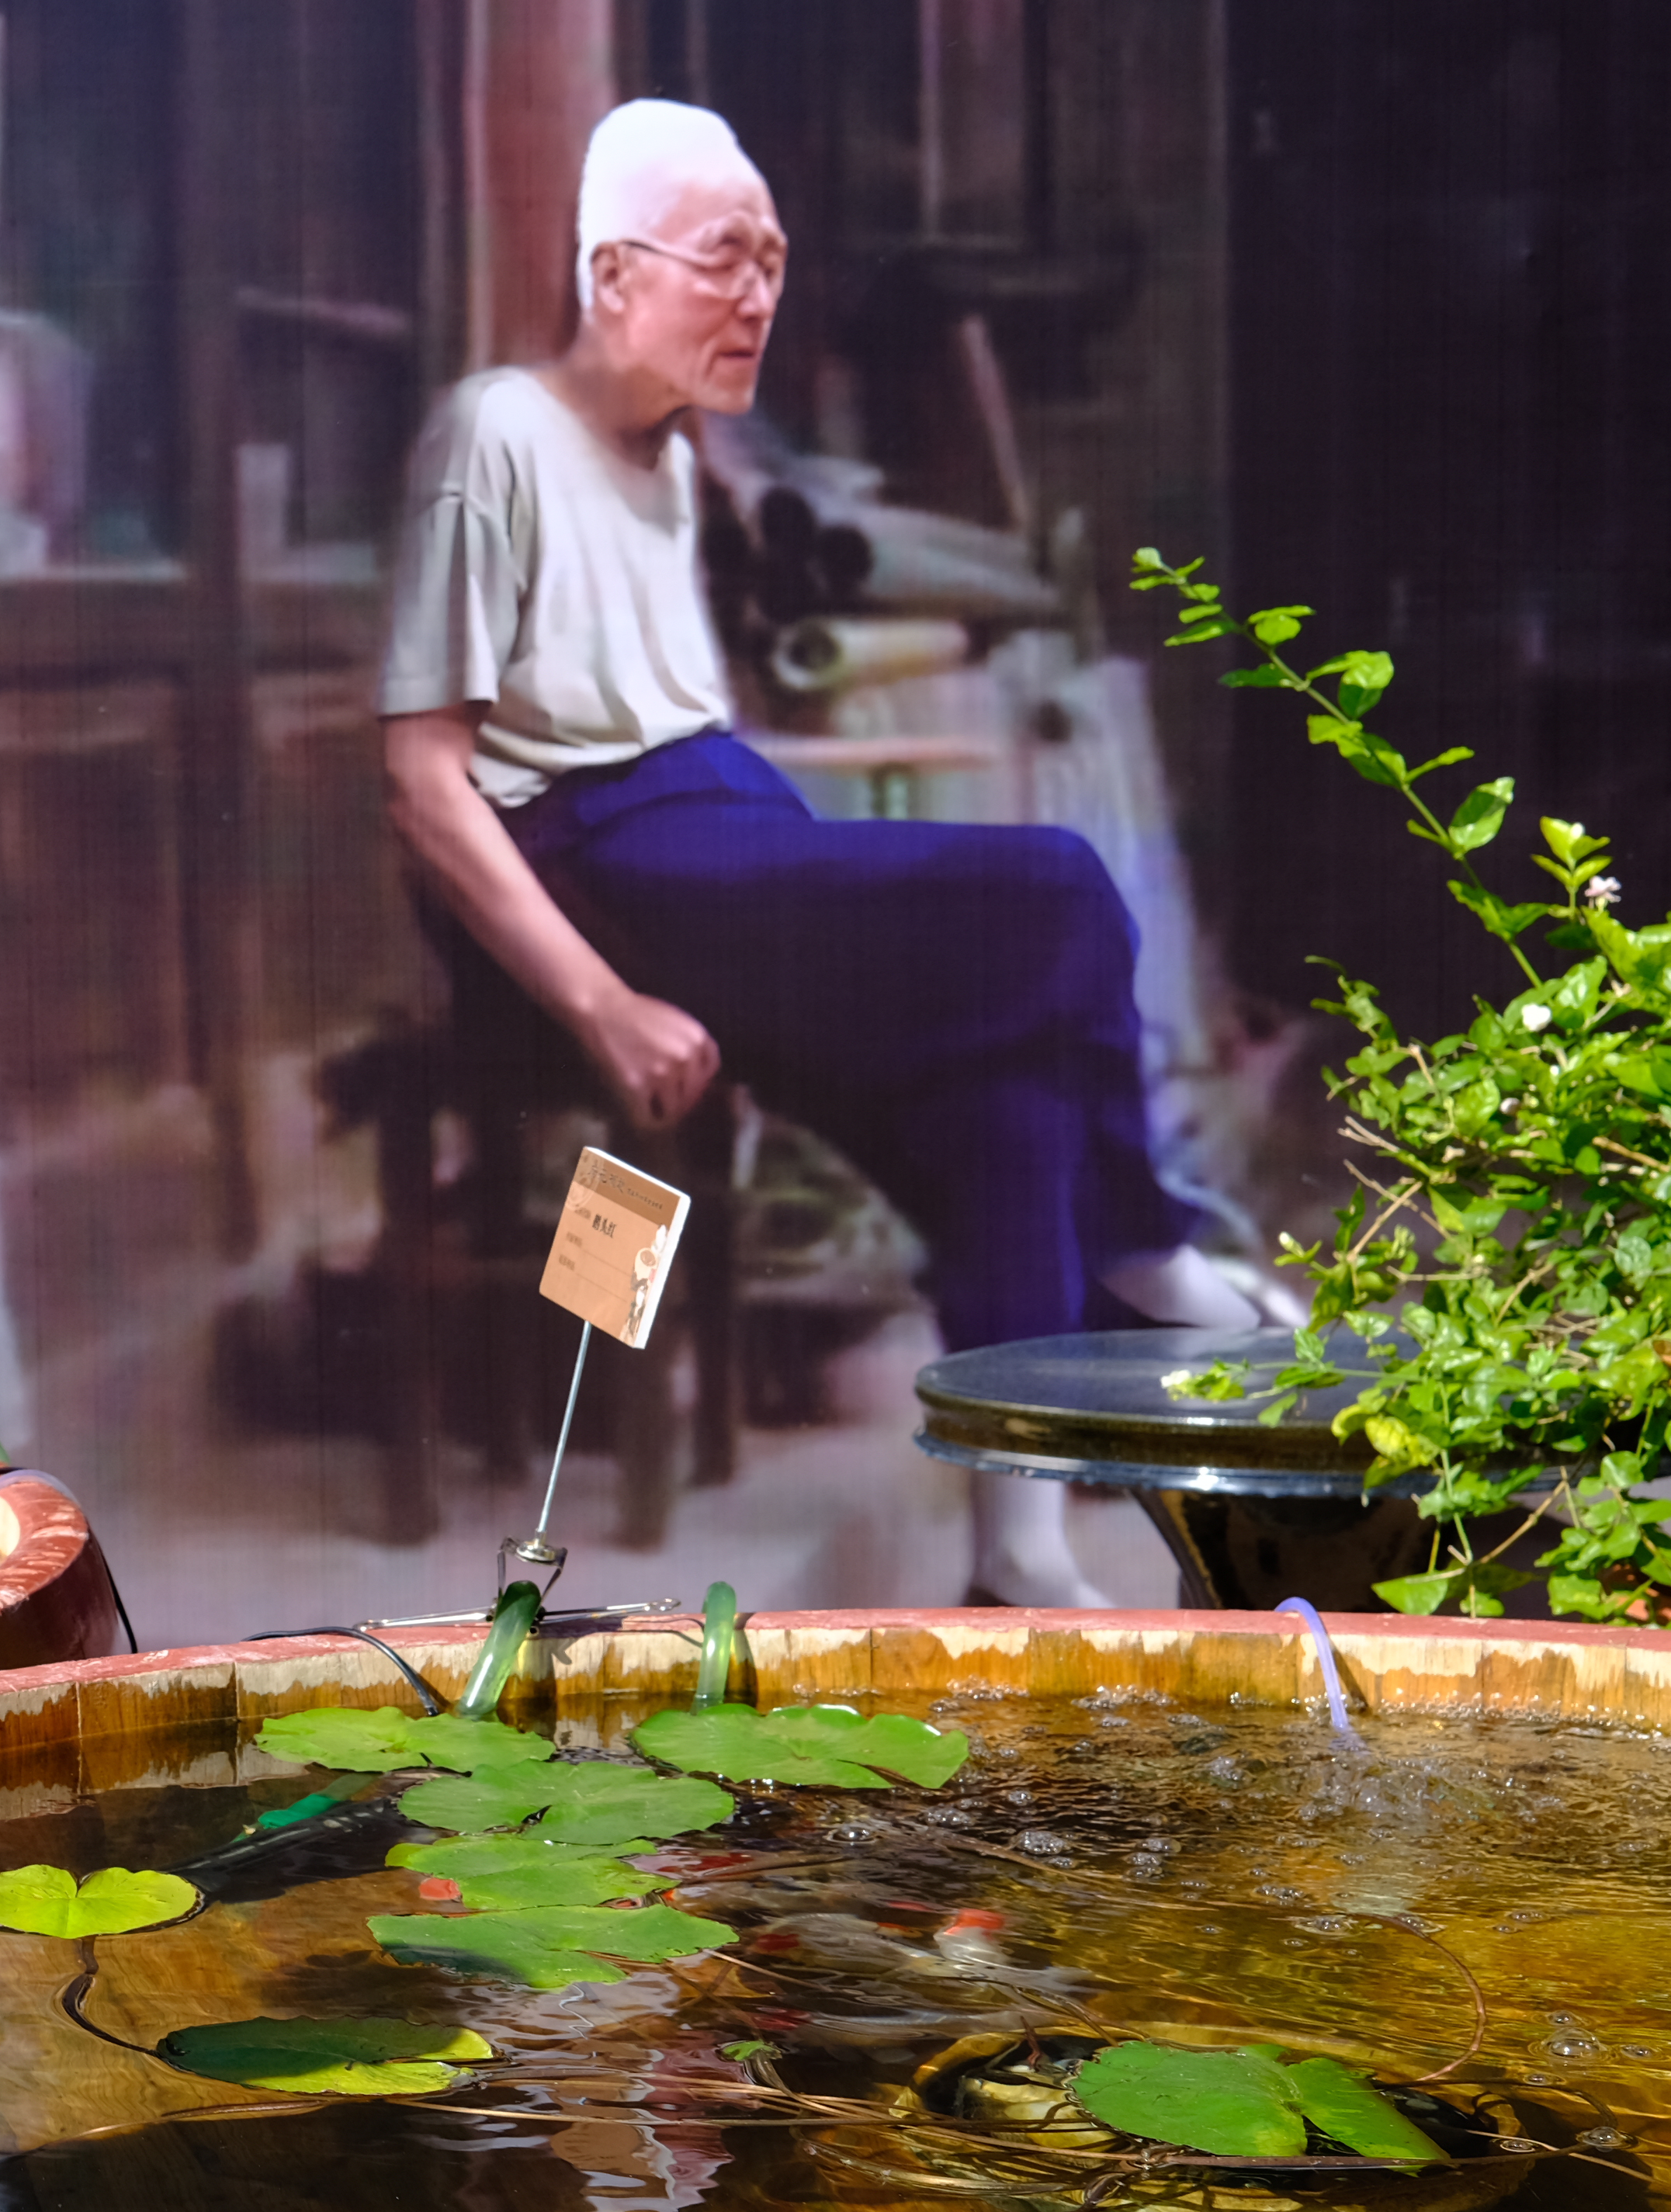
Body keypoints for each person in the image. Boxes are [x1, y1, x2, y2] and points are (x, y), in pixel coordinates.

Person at [377, 98, 1288, 1608]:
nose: (761, 296)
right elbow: (422, 782)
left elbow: (681, 723)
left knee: (998, 1088)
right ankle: (1144, 1245)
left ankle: (1015, 1548)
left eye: (776, 262)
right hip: (593, 868)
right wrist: (602, 1002)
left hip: (714, 835)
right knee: (1055, 886)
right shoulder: (495, 438)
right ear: (613, 273)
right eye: (728, 259)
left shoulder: (667, 462)